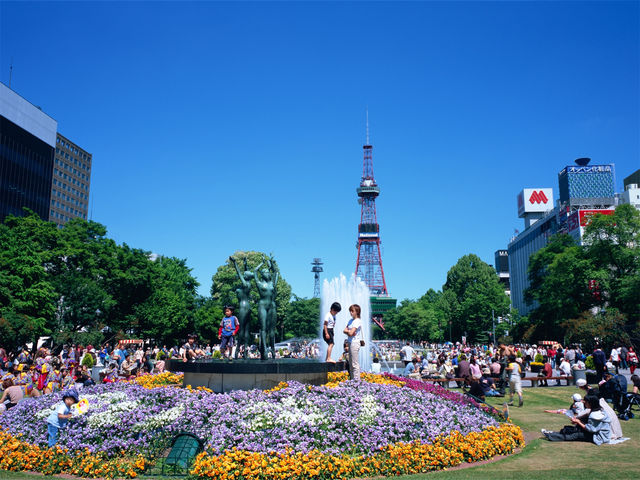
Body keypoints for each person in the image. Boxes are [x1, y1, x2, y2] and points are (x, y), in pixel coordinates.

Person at [541, 394, 611, 444]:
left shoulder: (595, 415)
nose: (583, 402)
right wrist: (578, 421)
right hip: (600, 433)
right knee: (573, 429)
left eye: (585, 401)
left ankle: (551, 436)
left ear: (590, 403)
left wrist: (578, 422)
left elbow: (591, 429)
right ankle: (552, 433)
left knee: (576, 435)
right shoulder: (599, 410)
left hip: (599, 436)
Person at [343, 304, 362, 381]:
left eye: (352, 311)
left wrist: (348, 332)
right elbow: (344, 330)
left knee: (354, 364)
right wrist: (349, 331)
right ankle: (352, 380)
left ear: (357, 312)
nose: (351, 313)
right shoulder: (350, 321)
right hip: (350, 342)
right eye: (350, 311)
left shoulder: (357, 321)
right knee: (351, 363)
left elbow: (350, 333)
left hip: (355, 343)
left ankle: (357, 381)